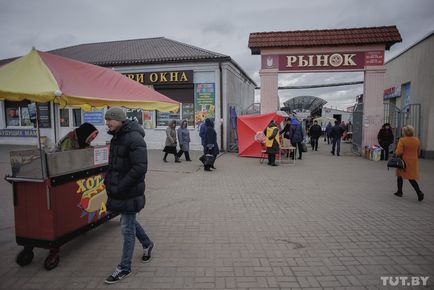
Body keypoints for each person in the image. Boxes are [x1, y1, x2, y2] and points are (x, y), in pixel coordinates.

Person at [103, 107, 154, 284]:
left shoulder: (134, 138)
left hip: (130, 190)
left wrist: (121, 186)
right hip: (121, 190)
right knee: (129, 221)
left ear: (120, 120)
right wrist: (108, 182)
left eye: (110, 119)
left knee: (126, 228)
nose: (107, 123)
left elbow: (140, 168)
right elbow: (115, 164)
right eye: (106, 119)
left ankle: (125, 267)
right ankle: (147, 244)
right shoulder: (117, 136)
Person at [394, 125, 424, 201]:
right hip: (413, 161)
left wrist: (396, 150)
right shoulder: (417, 140)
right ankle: (419, 192)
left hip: (403, 161)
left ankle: (399, 192)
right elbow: (418, 152)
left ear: (405, 132)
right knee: (411, 178)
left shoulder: (402, 140)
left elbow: (399, 152)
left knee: (400, 176)